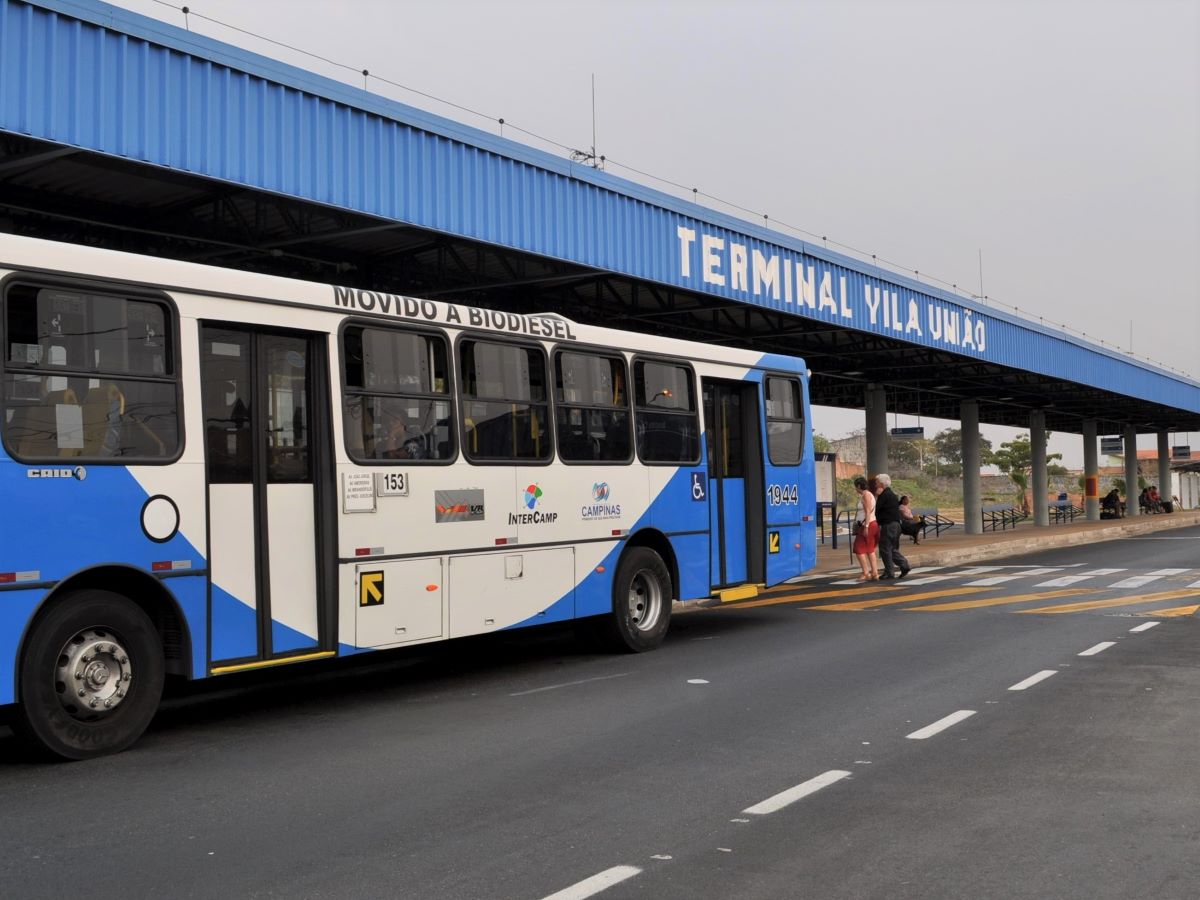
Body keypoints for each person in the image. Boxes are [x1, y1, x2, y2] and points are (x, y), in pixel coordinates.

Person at [873, 473, 910, 580]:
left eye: (877, 482)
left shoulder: (884, 495)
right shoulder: (893, 494)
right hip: (896, 525)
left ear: (881, 484)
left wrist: (877, 496)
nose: (875, 485)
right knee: (892, 548)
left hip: (887, 525)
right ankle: (903, 565)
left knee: (885, 549)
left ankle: (890, 572)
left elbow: (876, 508)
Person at [851, 476, 879, 582]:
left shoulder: (866, 495)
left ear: (859, 486)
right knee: (870, 549)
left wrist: (866, 527)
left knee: (858, 548)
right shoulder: (868, 494)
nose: (855, 489)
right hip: (871, 523)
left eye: (855, 486)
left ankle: (866, 573)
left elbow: (867, 512)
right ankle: (874, 573)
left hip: (868, 524)